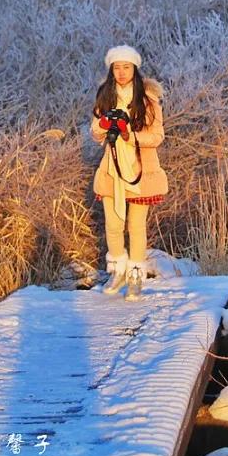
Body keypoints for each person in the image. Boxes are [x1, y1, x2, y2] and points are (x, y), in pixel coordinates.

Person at [89, 45, 167, 299]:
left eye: (127, 67)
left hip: (140, 170)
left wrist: (129, 134)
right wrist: (103, 125)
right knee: (113, 225)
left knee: (135, 225)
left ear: (135, 69)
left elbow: (157, 136)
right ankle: (118, 270)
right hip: (112, 169)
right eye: (117, 68)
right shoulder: (105, 97)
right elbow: (95, 132)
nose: (122, 73)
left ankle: (135, 275)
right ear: (111, 70)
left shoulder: (148, 100)